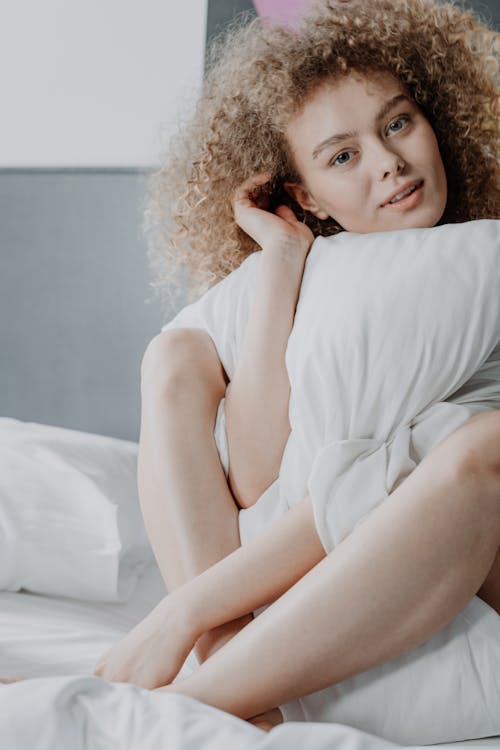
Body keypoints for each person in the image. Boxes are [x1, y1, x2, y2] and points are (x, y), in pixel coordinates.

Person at [95, 0, 500, 733]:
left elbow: (399, 475)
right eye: (343, 156)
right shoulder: (317, 283)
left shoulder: (477, 263)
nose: (389, 164)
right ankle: (242, 680)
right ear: (305, 195)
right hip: (348, 568)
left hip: (474, 546)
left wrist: (183, 606)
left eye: (399, 123)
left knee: (476, 442)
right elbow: (256, 479)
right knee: (175, 357)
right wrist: (281, 262)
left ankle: (190, 706)